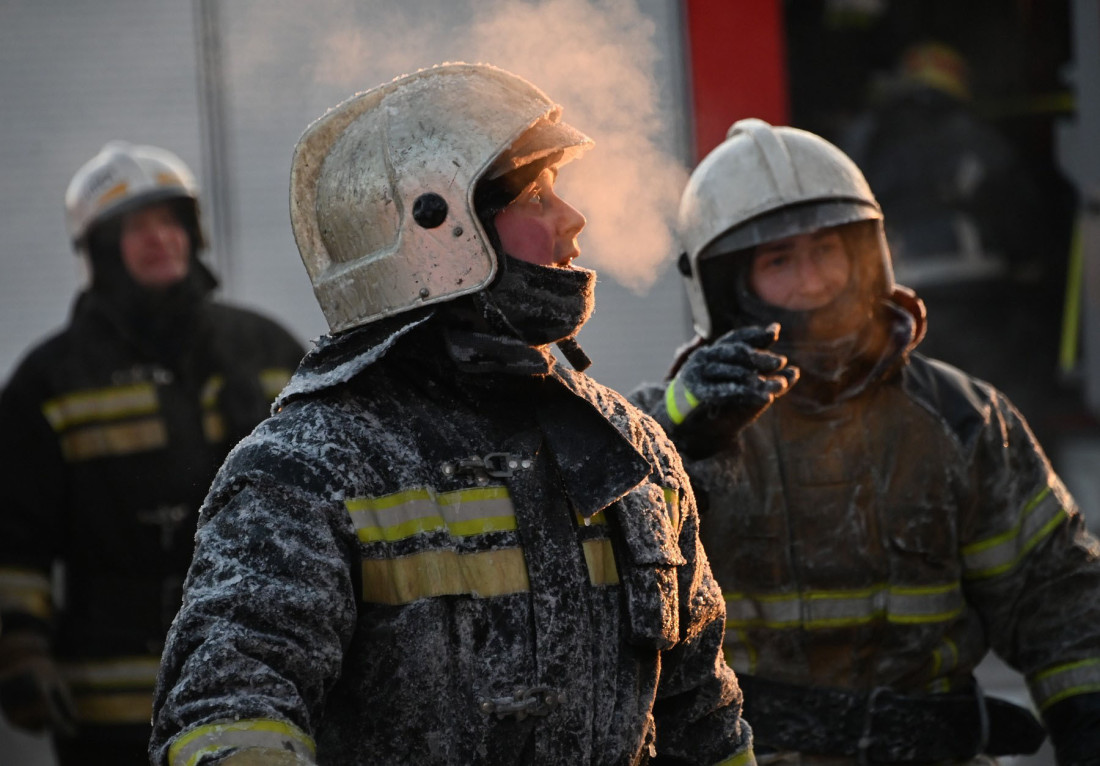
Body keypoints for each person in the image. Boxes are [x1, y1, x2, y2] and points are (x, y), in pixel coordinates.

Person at [148, 63, 756, 766]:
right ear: (437, 232)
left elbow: (705, 724)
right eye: (536, 196)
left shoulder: (628, 450)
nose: (572, 219)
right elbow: (226, 717)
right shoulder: (306, 471)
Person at [631, 118, 1100, 764]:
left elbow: (1059, 601)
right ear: (725, 285)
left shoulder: (961, 418)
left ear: (868, 255)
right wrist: (689, 440)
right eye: (779, 262)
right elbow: (604, 604)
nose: (814, 282)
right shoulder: (663, 430)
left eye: (827, 250)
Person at [0, 141, 306, 764]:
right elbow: (14, 540)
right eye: (136, 227)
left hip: (265, 678)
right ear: (100, 250)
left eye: (171, 222)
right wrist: (19, 649)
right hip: (112, 706)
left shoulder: (267, 345)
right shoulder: (51, 378)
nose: (159, 239)